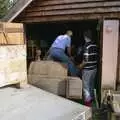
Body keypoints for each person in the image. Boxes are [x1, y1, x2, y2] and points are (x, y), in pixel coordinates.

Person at [78, 30, 98, 106]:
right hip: (94, 68)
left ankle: (88, 104)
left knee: (86, 86)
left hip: (87, 69)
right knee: (91, 84)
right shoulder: (95, 45)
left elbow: (85, 61)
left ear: (85, 37)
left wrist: (79, 66)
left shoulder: (86, 46)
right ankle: (92, 99)